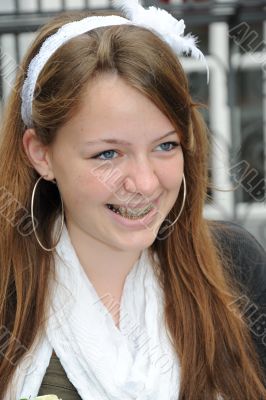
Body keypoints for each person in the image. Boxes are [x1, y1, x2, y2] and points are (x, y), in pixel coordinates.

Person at [0, 1, 265, 399]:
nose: (143, 183)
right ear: (41, 153)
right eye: (107, 154)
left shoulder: (236, 266)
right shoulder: (8, 292)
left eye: (165, 145)